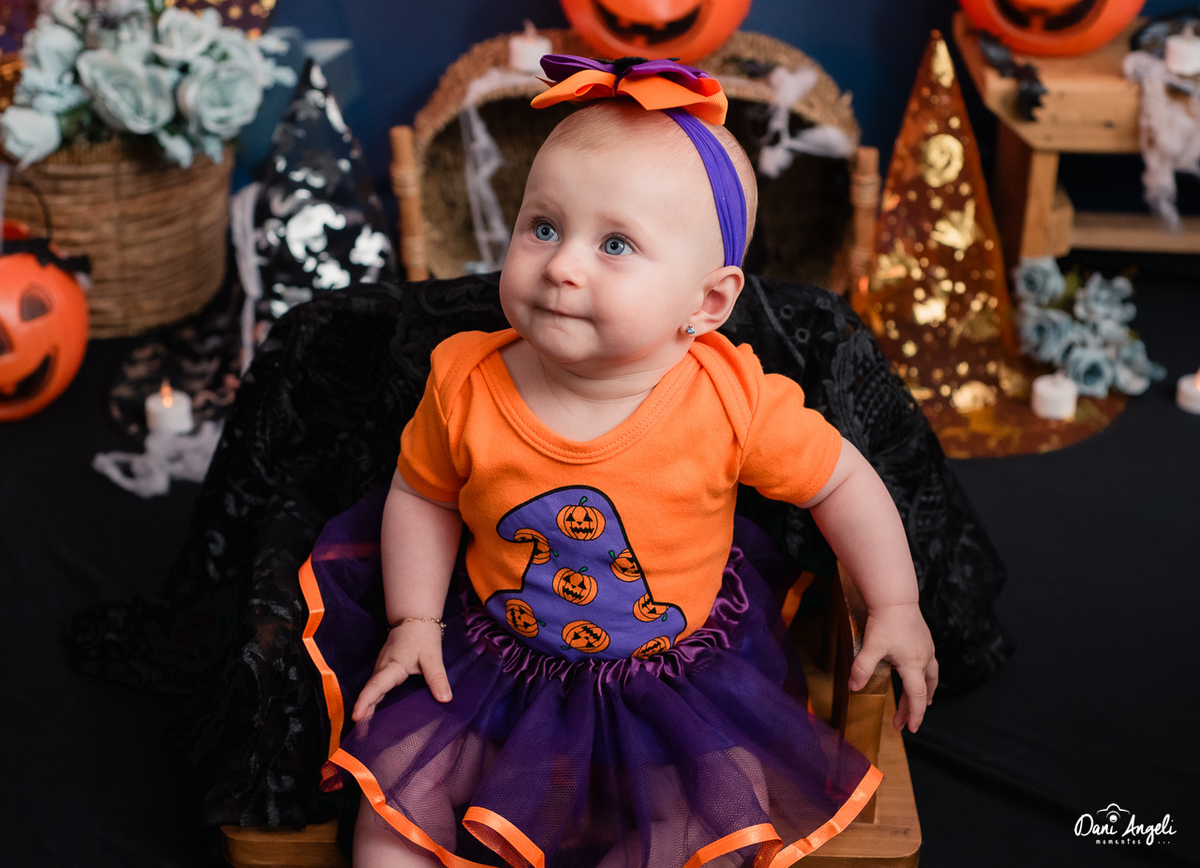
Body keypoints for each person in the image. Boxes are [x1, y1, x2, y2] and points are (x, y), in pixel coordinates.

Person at [302, 55, 937, 868]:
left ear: (707, 302)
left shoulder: (730, 403)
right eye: (542, 227)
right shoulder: (466, 382)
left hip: (669, 679)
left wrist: (895, 601)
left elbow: (840, 479)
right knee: (394, 807)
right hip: (502, 661)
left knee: (708, 818)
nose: (562, 265)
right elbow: (422, 495)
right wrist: (415, 620)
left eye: (614, 244)